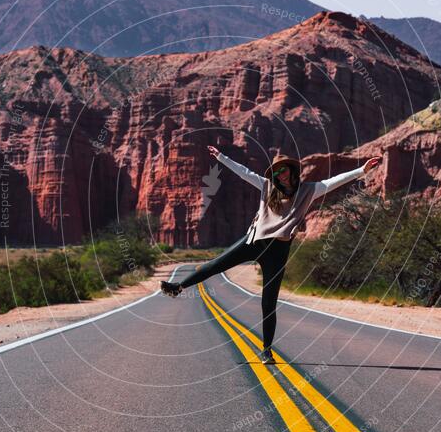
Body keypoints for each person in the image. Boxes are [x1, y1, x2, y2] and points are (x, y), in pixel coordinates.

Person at [160, 146, 382, 364]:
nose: (280, 176)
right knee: (215, 265)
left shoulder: (309, 190)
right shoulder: (266, 186)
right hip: (255, 242)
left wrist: (362, 170)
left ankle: (266, 351)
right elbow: (244, 173)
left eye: (283, 171)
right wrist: (221, 157)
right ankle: (178, 287)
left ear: (291, 171)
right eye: (276, 173)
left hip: (278, 250)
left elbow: (335, 181)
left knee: (269, 302)